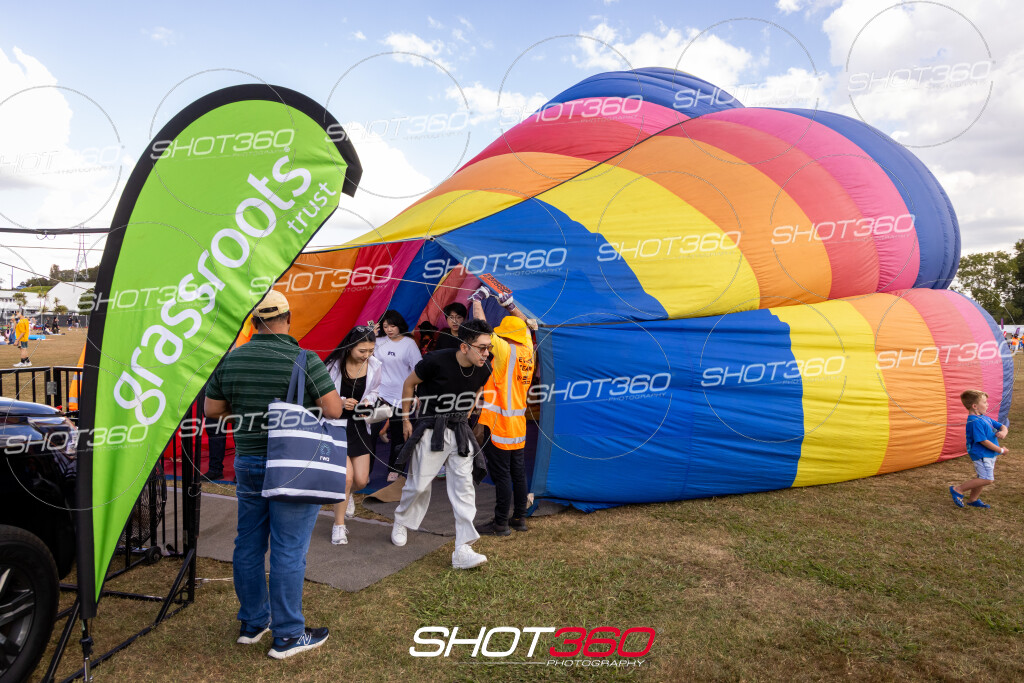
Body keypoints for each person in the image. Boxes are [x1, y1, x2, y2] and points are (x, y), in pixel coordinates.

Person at [204, 290, 343, 659]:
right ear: (288, 319)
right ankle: (288, 635)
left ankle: (253, 623)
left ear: (253, 322)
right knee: (288, 549)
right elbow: (332, 410)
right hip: (293, 466)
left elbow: (212, 410)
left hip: (248, 462)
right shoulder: (305, 359)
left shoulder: (231, 359)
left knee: (248, 543)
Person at [391, 319, 493, 569]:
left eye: (489, 347)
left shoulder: (484, 367)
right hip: (430, 427)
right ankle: (402, 520)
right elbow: (409, 384)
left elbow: (478, 389)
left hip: (459, 430)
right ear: (464, 347)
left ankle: (463, 548)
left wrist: (467, 413)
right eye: (482, 347)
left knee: (464, 487)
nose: (486, 353)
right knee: (418, 485)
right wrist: (406, 419)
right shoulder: (435, 361)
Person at [468, 287, 536, 535]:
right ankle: (519, 518)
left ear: (505, 335)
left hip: (499, 424)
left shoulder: (505, 350)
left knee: (503, 475)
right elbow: (525, 326)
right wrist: (510, 305)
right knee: (518, 472)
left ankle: (500, 523)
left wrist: (477, 301)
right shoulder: (527, 348)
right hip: (518, 424)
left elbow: (482, 331)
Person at [325, 325, 382, 545]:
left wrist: (368, 401)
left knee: (361, 479)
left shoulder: (375, 365)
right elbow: (321, 394)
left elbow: (375, 390)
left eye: (371, 350)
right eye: (362, 351)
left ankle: (346, 495)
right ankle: (338, 526)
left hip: (359, 425)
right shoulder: (333, 364)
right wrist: (339, 401)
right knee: (346, 478)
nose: (367, 355)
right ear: (350, 347)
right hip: (336, 425)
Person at [374, 310, 421, 482]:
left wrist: (416, 394)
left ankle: (395, 469)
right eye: (385, 326)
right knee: (371, 434)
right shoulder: (377, 341)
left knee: (399, 435)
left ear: (399, 325)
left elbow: (418, 370)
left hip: (401, 396)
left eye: (392, 326)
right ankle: (366, 470)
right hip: (378, 394)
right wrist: (370, 335)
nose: (389, 330)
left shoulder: (409, 344)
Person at [949, 389, 1009, 509]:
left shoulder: (983, 418)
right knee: (987, 479)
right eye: (985, 402)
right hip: (982, 454)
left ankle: (973, 500)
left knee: (982, 477)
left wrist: (1003, 432)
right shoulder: (974, 422)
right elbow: (983, 441)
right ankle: (958, 489)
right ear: (975, 406)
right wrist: (1000, 450)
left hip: (989, 454)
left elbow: (1002, 426)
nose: (987, 405)